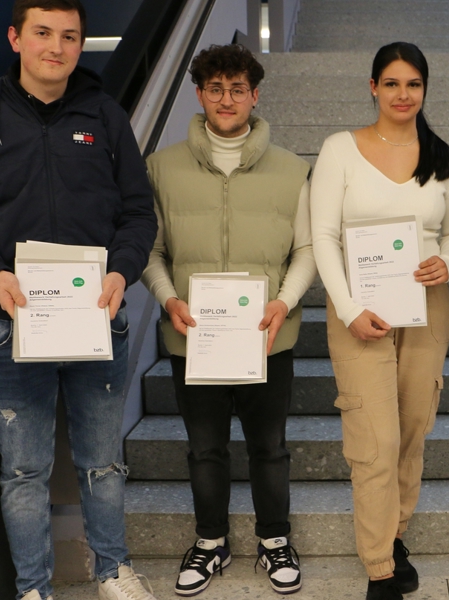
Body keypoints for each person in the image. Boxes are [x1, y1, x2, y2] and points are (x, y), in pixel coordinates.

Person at [0, 1, 158, 599]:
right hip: (8, 326)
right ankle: (33, 589)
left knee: (103, 462)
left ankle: (112, 573)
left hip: (98, 322)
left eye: (70, 36)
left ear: (80, 45)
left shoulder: (105, 117)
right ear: (15, 38)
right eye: (43, 33)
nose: (57, 46)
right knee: (24, 470)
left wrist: (123, 272)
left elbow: (137, 215)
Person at [141, 44, 313, 596]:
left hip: (269, 336)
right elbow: (151, 251)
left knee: (270, 447)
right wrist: (169, 300)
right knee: (205, 448)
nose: (226, 99)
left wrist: (282, 301)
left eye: (238, 88)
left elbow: (307, 250)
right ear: (199, 94)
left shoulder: (291, 168)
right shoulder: (162, 167)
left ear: (255, 96)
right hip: (195, 338)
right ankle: (211, 542)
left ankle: (274, 540)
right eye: (215, 88)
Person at [309, 42, 449, 600]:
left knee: (412, 429)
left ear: (425, 90)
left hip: (427, 309)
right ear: (372, 87)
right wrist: (349, 309)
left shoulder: (444, 158)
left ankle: (394, 535)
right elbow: (322, 235)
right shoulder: (339, 149)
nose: (403, 94)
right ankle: (378, 567)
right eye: (392, 83)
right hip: (361, 309)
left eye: (414, 84)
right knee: (374, 437)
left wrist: (447, 261)